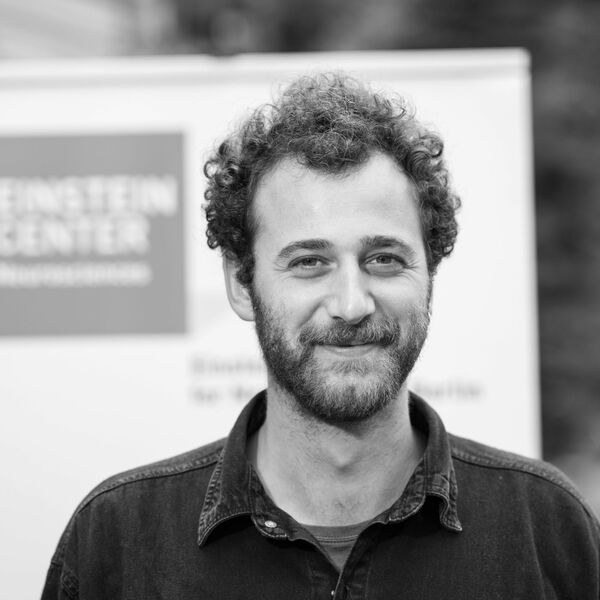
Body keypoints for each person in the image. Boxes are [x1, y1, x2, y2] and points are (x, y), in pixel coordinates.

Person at [42, 73, 600, 599]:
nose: (351, 305)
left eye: (384, 258)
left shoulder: (549, 531)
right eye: (309, 262)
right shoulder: (118, 541)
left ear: (430, 274)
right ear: (241, 284)